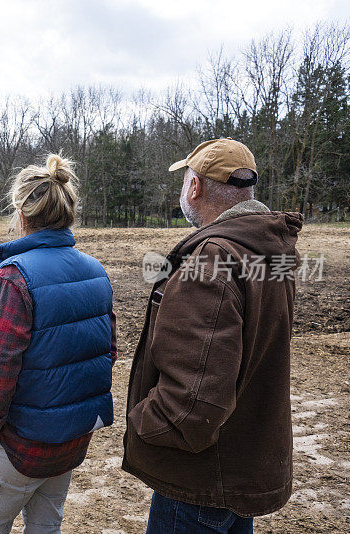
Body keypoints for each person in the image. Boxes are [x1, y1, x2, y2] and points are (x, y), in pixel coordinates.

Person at [122, 138, 303, 533]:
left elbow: (194, 399)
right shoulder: (269, 249)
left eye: (185, 179)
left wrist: (145, 422)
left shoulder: (211, 258)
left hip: (199, 475)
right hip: (243, 457)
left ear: (195, 187)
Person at [0, 154, 117, 534]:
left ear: (21, 212)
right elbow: (107, 353)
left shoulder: (14, 277)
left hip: (19, 445)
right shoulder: (96, 271)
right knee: (47, 527)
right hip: (69, 441)